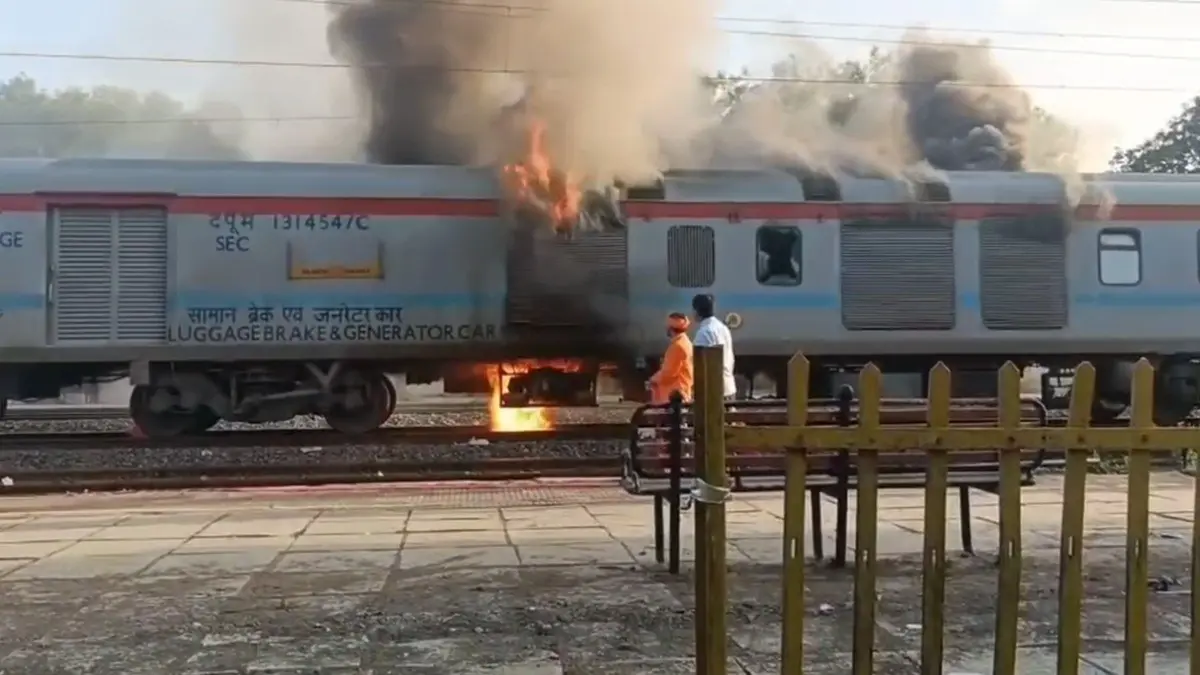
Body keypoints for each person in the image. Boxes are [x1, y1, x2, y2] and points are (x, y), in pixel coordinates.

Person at [691, 293, 737, 400]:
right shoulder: (723, 328)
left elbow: (699, 365)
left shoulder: (704, 333)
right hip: (729, 387)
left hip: (713, 391)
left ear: (696, 311)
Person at [648, 313, 694, 404]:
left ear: (671, 328)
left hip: (674, 395)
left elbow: (668, 373)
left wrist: (653, 379)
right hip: (681, 391)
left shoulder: (677, 346)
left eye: (667, 326)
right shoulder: (685, 342)